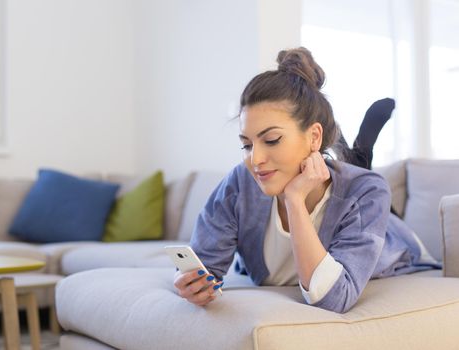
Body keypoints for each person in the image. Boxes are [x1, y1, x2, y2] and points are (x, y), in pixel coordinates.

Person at [173, 47, 440, 313]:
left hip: (391, 242)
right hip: (336, 183)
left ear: (313, 137)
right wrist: (192, 282)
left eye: (271, 140)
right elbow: (204, 265)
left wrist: (294, 200)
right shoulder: (241, 182)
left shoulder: (367, 190)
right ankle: (351, 154)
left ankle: (358, 156)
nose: (255, 159)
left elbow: (333, 298)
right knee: (349, 172)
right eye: (246, 145)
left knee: (361, 181)